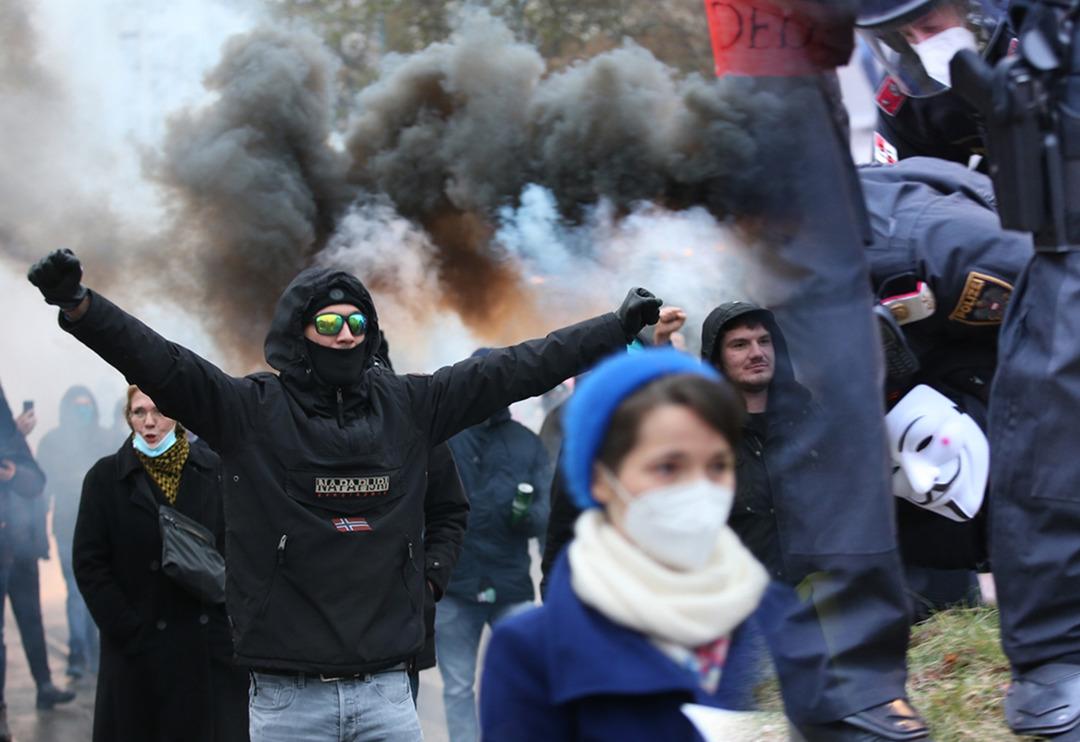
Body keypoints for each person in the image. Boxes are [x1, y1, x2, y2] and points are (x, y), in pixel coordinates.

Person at [27, 248, 660, 741]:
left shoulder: (410, 405)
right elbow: (163, 364)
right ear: (299, 331)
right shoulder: (249, 411)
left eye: (357, 321)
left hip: (387, 691)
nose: (346, 333)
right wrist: (82, 307)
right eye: (329, 321)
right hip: (287, 697)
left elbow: (518, 367)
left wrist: (612, 329)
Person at [479, 348, 769, 741]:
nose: (699, 488)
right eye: (668, 467)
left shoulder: (769, 620)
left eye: (717, 465)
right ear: (601, 478)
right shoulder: (532, 652)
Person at [74, 386, 248, 741]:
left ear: (178, 416)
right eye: (139, 412)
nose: (150, 422)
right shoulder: (105, 478)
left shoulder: (214, 470)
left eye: (160, 411)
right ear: (129, 418)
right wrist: (128, 629)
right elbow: (90, 564)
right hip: (137, 653)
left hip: (206, 652)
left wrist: (230, 624)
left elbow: (240, 550)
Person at [437, 349, 551, 742]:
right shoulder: (444, 439)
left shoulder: (527, 443)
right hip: (455, 586)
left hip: (511, 585)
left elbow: (546, 513)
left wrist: (526, 514)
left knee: (528, 680)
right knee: (458, 688)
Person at [855, 0, 1012, 168]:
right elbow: (901, 177)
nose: (923, 44)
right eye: (907, 34)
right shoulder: (907, 88)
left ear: (966, 7)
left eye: (930, 27)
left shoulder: (1022, 35)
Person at [0, 381, 63, 741]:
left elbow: (35, 480)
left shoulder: (11, 438)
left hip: (20, 547)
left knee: (31, 619)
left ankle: (45, 685)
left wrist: (11, 472)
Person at [36, 385, 114, 678]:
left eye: (87, 406)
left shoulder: (107, 438)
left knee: (100, 587)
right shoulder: (52, 443)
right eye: (77, 407)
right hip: (67, 527)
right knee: (75, 591)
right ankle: (79, 653)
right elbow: (42, 491)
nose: (83, 412)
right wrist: (39, 535)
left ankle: (96, 651)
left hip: (104, 527)